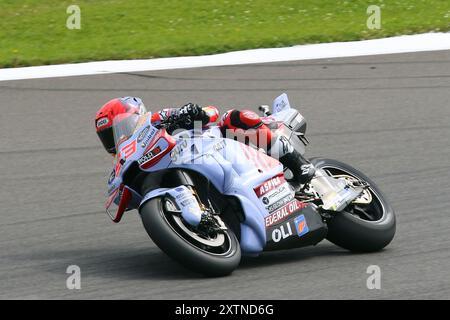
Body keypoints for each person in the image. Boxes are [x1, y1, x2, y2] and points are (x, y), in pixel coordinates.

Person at [95, 97, 315, 189]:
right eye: (110, 136)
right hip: (195, 170)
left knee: (233, 117)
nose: (119, 138)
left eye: (121, 128)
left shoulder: (157, 120)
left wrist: (192, 113)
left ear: (137, 116)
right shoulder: (123, 164)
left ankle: (297, 161)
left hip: (216, 145)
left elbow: (212, 112)